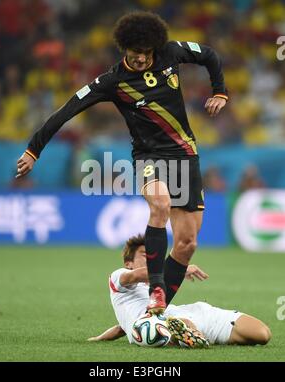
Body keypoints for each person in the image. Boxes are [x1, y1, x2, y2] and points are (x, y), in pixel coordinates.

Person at [16, 11, 228, 313]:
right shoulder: (112, 81)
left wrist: (220, 91)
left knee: (187, 244)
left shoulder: (170, 53)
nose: (141, 59)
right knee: (160, 204)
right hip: (149, 156)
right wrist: (33, 150)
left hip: (185, 155)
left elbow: (209, 55)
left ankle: (156, 311)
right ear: (123, 48)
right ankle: (155, 290)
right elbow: (66, 111)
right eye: (134, 53)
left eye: (145, 53)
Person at [88, 235, 271, 347]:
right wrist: (178, 269)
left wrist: (99, 338)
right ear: (128, 263)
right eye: (146, 255)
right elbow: (138, 276)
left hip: (189, 314)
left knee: (262, 334)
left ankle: (194, 337)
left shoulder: (155, 287)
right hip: (154, 325)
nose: (153, 260)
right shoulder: (119, 277)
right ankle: (188, 335)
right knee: (170, 323)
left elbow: (123, 328)